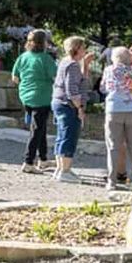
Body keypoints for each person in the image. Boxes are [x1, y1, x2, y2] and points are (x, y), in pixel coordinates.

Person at [10, 29, 56, 173]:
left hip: (25, 97)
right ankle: (28, 162)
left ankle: (43, 159)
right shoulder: (46, 59)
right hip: (41, 97)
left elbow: (15, 78)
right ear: (44, 43)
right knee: (36, 130)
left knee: (40, 128)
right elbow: (55, 77)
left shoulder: (23, 57)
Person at [101, 45, 132, 192]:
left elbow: (103, 88)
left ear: (114, 58)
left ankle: (111, 181)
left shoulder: (108, 70)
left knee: (113, 146)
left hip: (114, 110)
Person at [51, 36, 91, 181]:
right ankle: (65, 171)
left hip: (58, 101)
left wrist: (85, 65)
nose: (85, 50)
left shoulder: (65, 62)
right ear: (77, 48)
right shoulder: (73, 65)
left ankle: (60, 168)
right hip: (68, 104)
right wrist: (79, 107)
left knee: (61, 136)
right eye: (83, 47)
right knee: (69, 136)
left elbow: (80, 81)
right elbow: (72, 88)